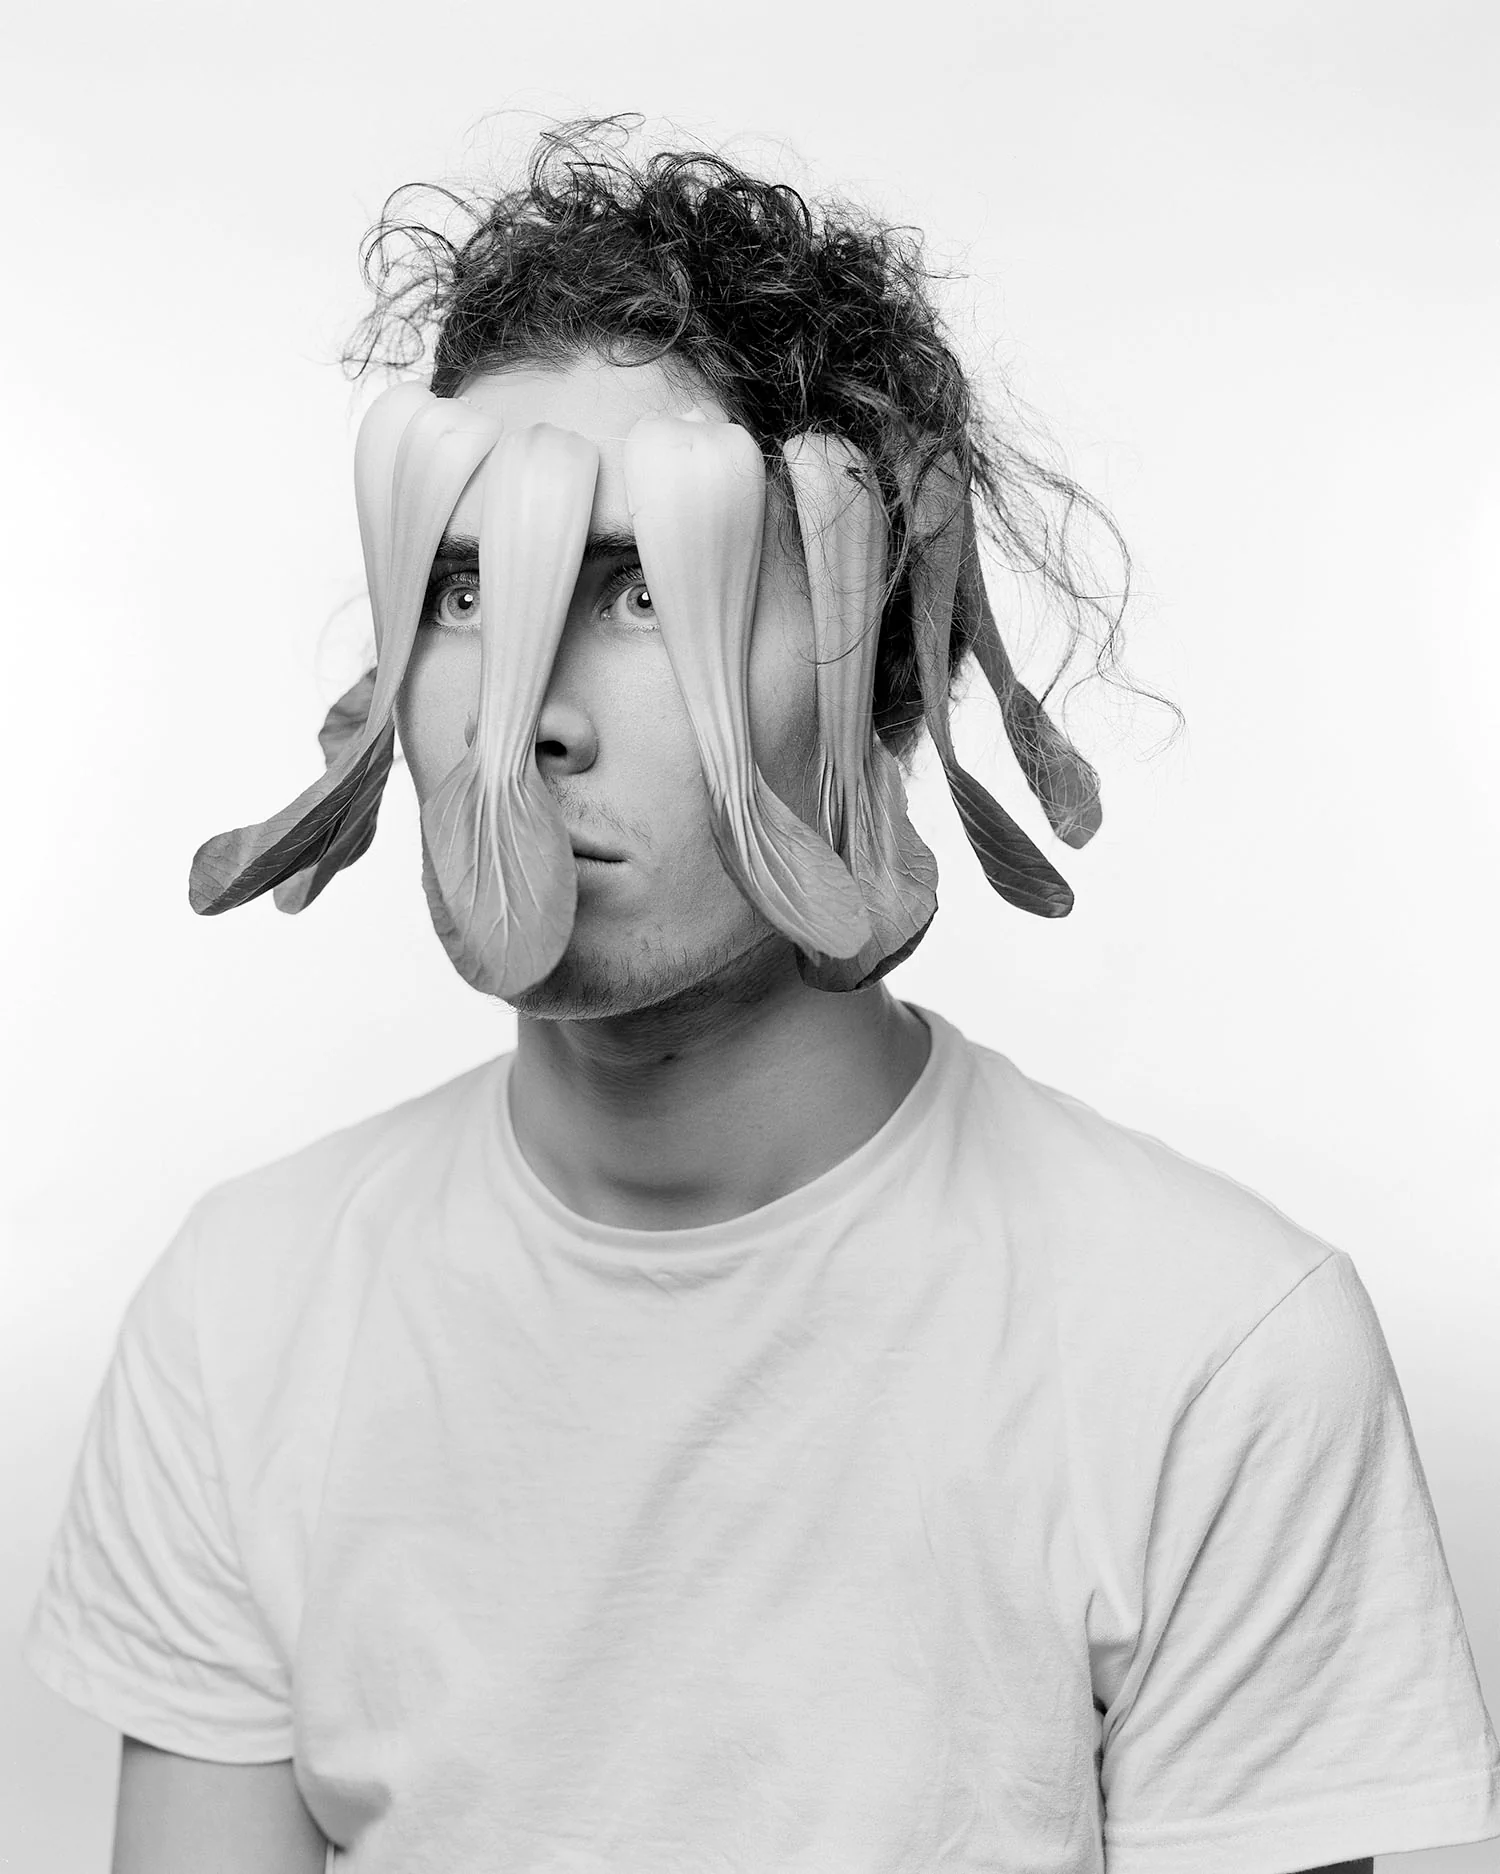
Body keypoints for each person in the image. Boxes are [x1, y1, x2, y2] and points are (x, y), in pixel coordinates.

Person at [24, 118, 1499, 1874]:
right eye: (466, 587)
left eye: (647, 589)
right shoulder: (241, 1317)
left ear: (882, 675)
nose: (535, 712)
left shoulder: (1215, 1354)